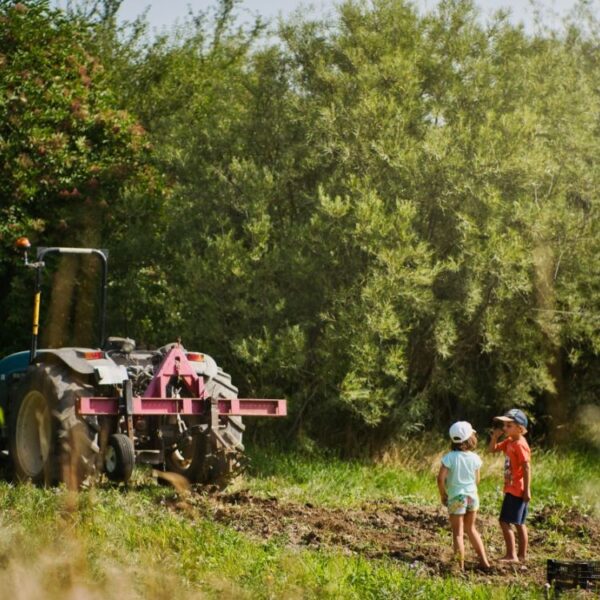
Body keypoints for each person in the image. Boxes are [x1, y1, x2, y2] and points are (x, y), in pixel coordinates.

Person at [437, 421, 491, 572]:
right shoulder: (475, 458)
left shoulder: (449, 457)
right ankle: (484, 562)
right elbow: (477, 480)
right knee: (471, 529)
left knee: (458, 533)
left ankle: (459, 567)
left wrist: (443, 494)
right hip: (472, 497)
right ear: (469, 439)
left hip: (456, 498)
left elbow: (440, 479)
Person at [488, 408, 531, 563]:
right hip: (513, 488)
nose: (504, 428)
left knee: (504, 521)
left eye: (509, 426)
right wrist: (494, 437)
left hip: (516, 489)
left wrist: (527, 490)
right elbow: (491, 449)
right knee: (519, 523)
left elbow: (527, 467)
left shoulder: (520, 444)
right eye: (504, 425)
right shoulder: (509, 441)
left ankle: (512, 555)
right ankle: (521, 556)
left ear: (520, 428)